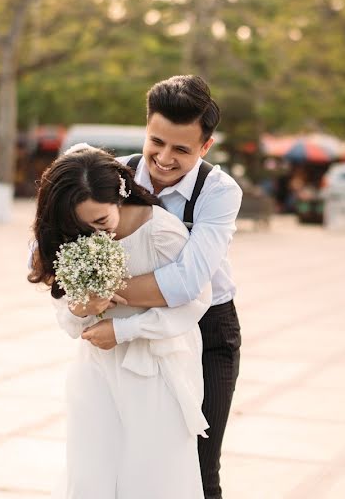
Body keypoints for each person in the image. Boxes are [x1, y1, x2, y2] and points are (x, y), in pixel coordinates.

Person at [77, 74, 243, 499]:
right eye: (157, 142)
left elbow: (188, 282)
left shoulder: (218, 191)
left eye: (182, 149)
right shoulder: (116, 175)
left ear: (206, 147)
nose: (164, 159)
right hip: (132, 332)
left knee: (199, 466)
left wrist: (103, 290)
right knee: (127, 461)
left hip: (208, 331)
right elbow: (52, 238)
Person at [29, 146, 211, 498]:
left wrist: (124, 329)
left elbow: (194, 303)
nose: (94, 235)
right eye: (80, 226)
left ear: (120, 195)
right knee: (90, 477)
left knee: (152, 481)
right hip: (96, 372)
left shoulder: (161, 233)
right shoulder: (75, 237)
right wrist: (83, 307)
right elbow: (66, 317)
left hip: (155, 372)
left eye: (100, 222)